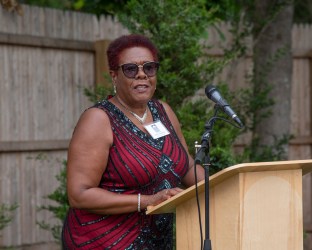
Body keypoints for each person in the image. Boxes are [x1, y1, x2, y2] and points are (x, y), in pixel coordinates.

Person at [61, 34, 205, 249]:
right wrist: (146, 201)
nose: (141, 75)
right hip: (105, 241)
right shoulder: (99, 119)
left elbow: (186, 167)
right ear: (114, 76)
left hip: (157, 241)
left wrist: (222, 188)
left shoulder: (163, 111)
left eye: (149, 68)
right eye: (130, 69)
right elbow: (80, 194)